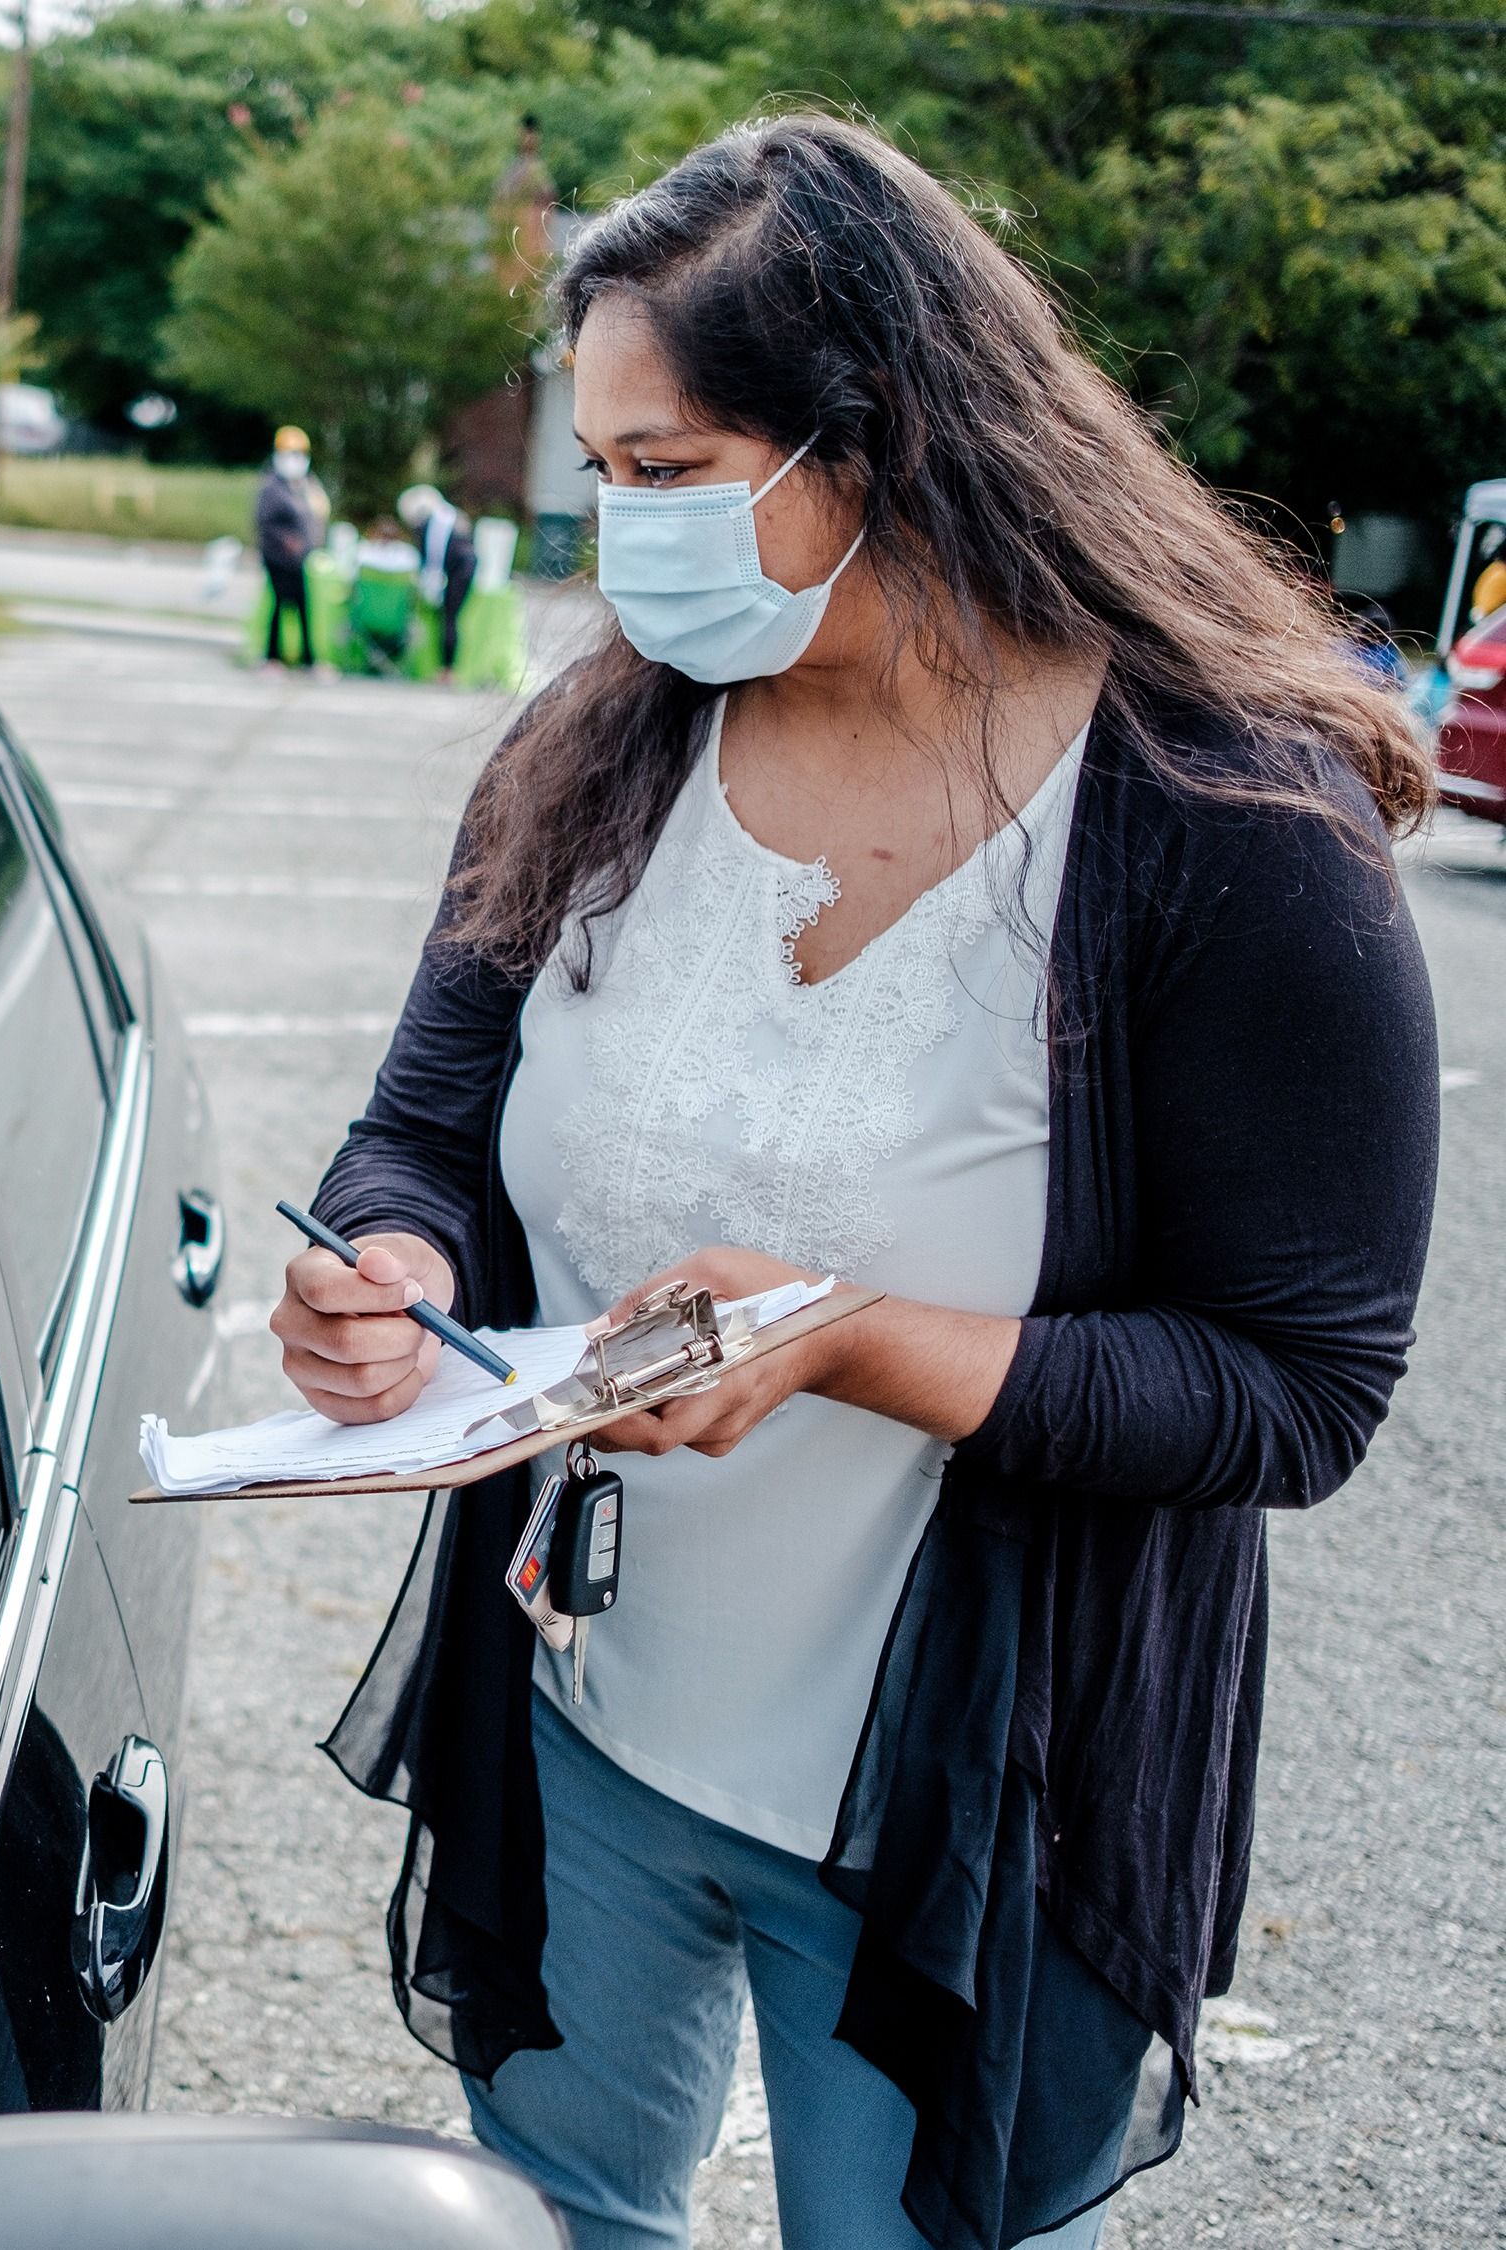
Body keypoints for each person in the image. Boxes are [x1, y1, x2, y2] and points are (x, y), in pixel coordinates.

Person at [273, 116, 1438, 2250]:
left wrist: (845, 1341)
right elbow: (423, 1124)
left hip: (953, 1808)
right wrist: (387, 1259)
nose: (615, 530)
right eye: (601, 470)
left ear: (882, 435)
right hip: (582, 1708)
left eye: (669, 472)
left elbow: (1297, 1389)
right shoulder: (603, 744)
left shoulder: (1219, 818)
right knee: (555, 2212)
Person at [256, 425, 327, 670]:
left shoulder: (304, 485)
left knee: (302, 607)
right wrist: (286, 540)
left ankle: (307, 658)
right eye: (290, 453)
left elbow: (316, 515)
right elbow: (264, 523)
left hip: (299, 559)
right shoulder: (272, 486)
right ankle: (272, 657)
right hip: (278, 558)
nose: (295, 460)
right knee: (279, 606)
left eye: (299, 454)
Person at [398, 483, 479, 676]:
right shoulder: (450, 517)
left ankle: (446, 669)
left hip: (456, 571)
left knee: (449, 618)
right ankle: (446, 667)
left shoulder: (426, 526)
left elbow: (426, 559)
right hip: (466, 566)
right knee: (451, 618)